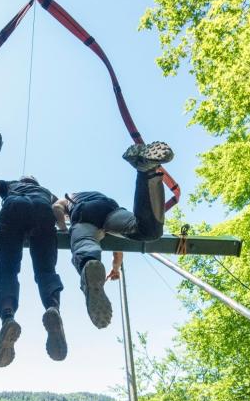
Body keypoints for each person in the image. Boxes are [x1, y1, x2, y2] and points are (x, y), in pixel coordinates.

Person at [53, 141, 174, 329]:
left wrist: (63, 228)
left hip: (83, 212)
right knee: (146, 230)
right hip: (109, 208)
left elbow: (56, 207)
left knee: (84, 242)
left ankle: (89, 264)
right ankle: (146, 171)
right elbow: (118, 250)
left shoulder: (68, 196)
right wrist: (115, 269)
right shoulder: (94, 193)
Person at [0, 175, 65, 368]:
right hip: (43, 210)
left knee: (6, 270)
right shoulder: (46, 192)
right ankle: (52, 308)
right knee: (46, 270)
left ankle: (8, 316)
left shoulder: (11, 184)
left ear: (23, 180)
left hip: (14, 207)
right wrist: (65, 227)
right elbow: (61, 208)